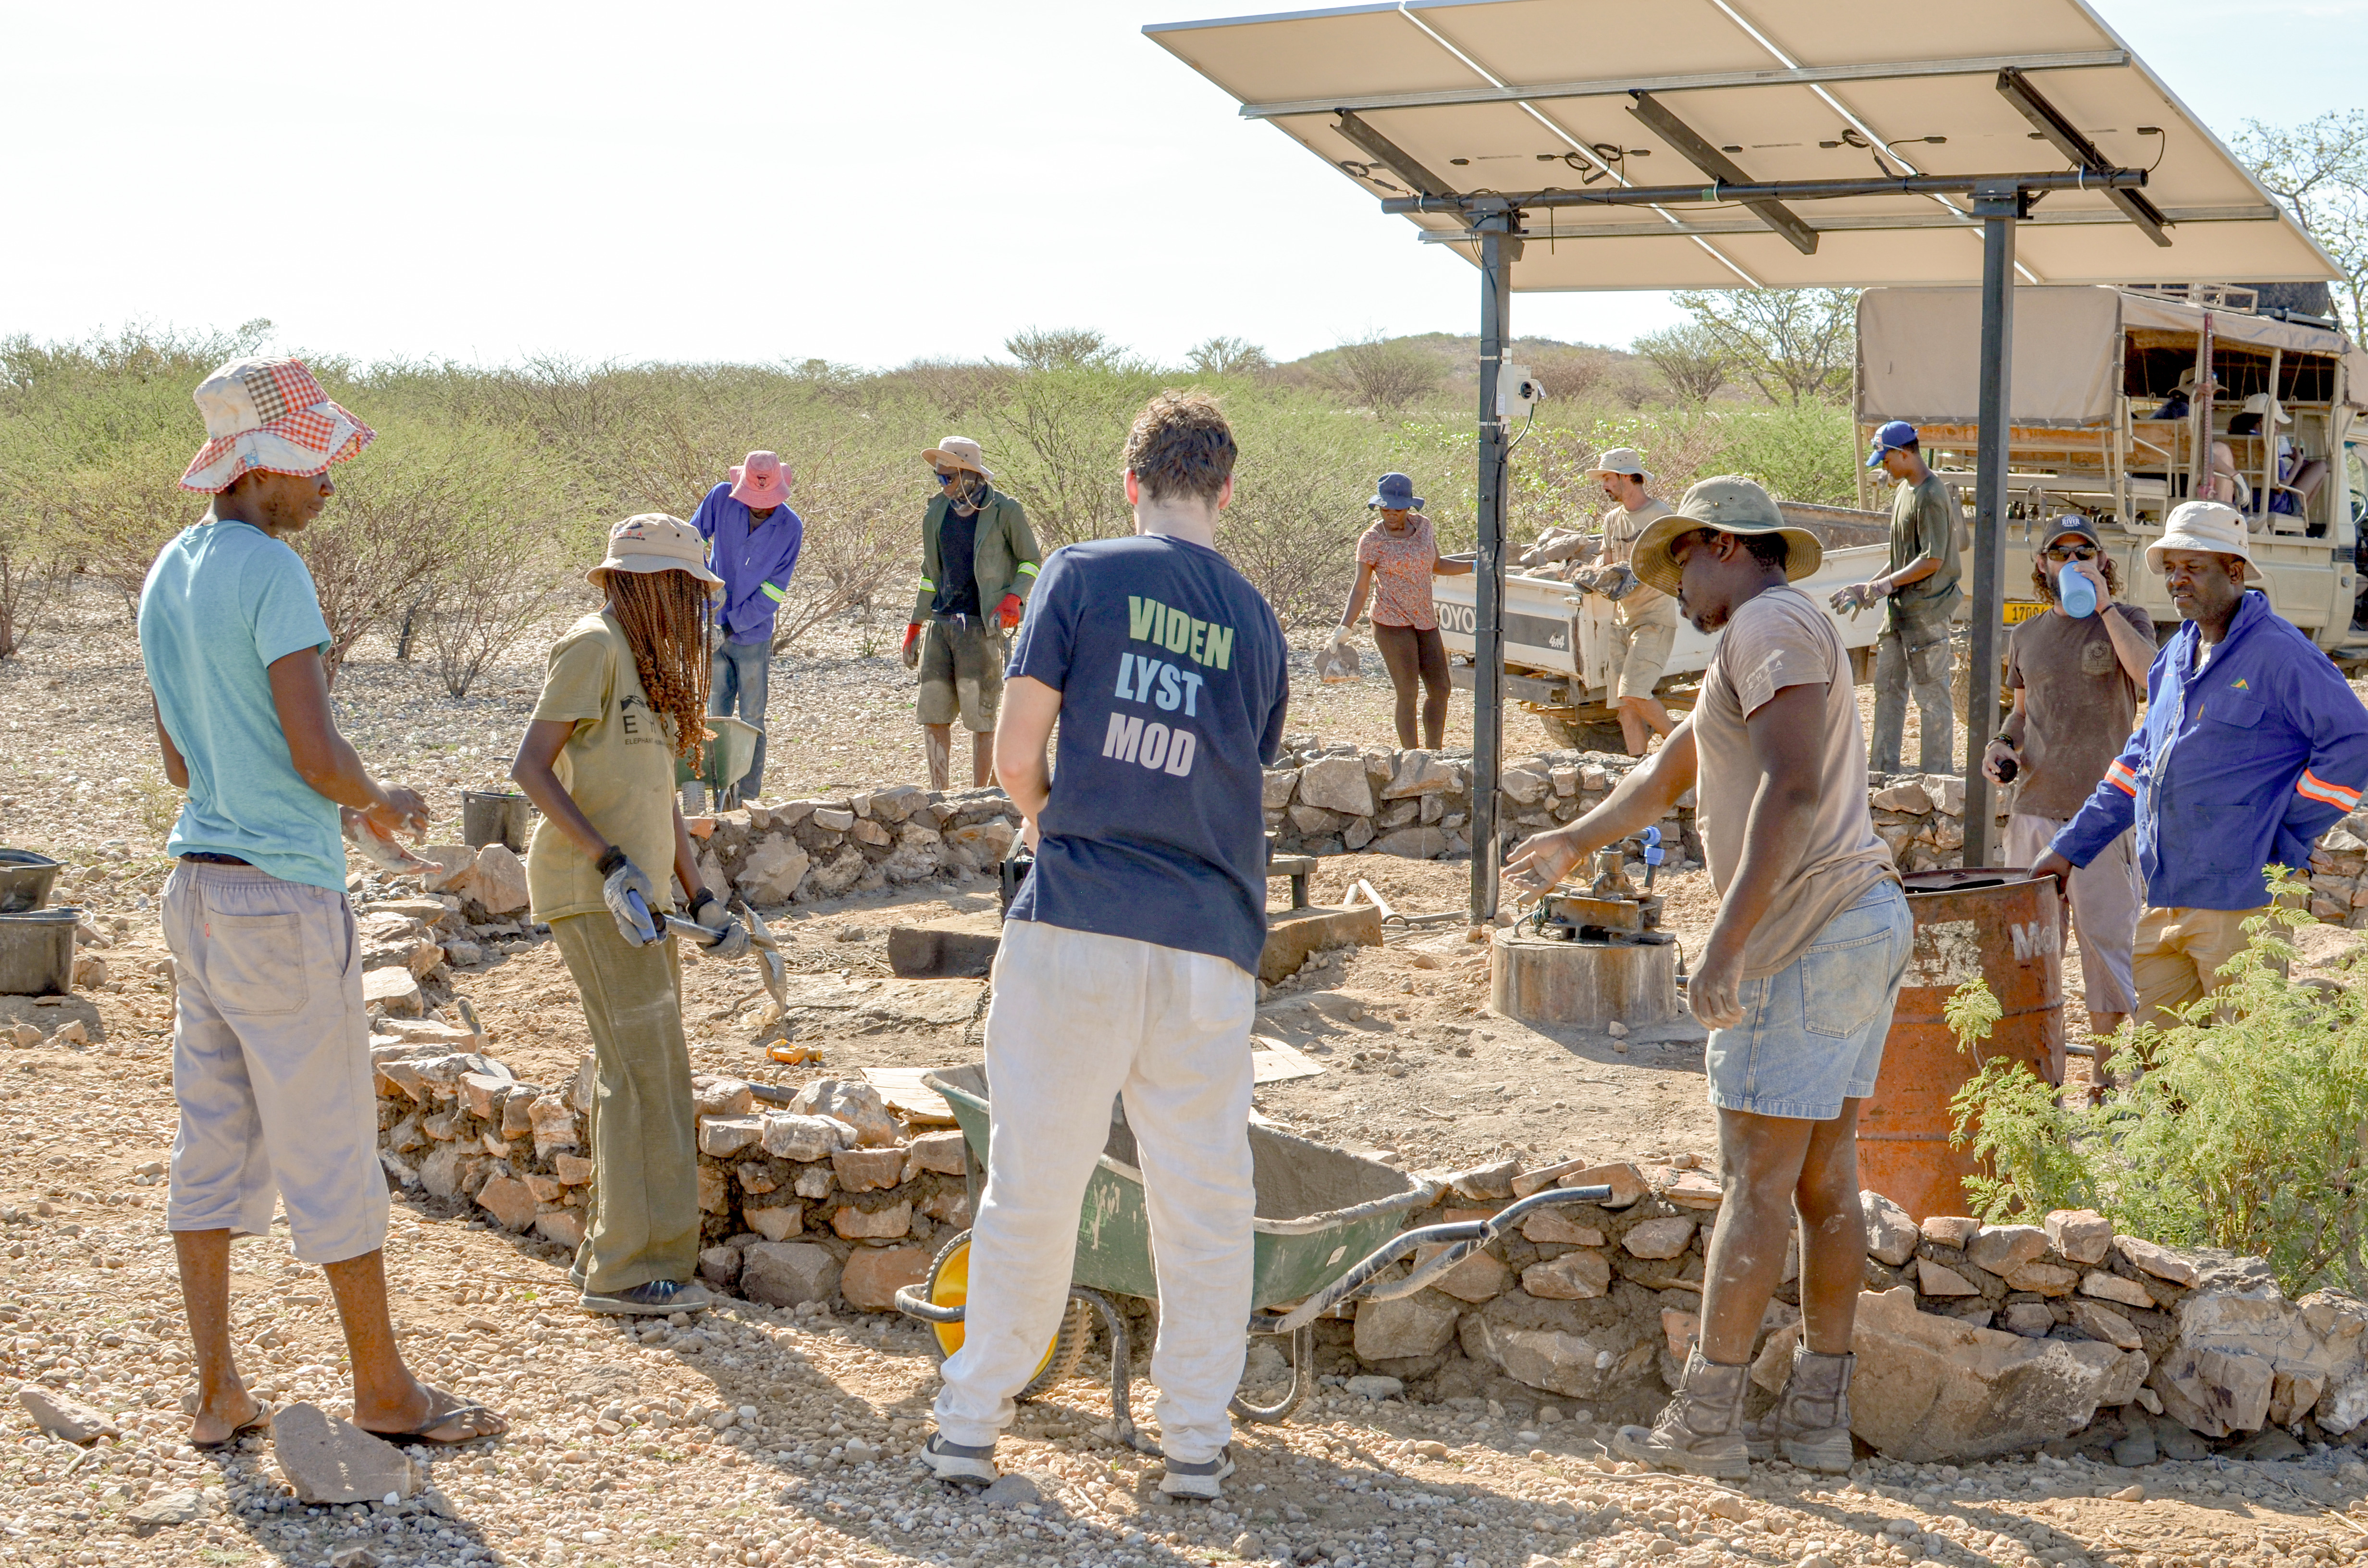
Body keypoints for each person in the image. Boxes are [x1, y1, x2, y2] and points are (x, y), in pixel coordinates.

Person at [1507, 476, 1909, 1479]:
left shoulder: (1769, 625)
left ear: (1724, 545)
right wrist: (1571, 837)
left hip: (1803, 932)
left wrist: (1726, 942)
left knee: (1756, 1183)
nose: (1675, 584)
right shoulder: (1769, 636)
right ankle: (1815, 1420)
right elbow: (1671, 768)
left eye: (1679, 559)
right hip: (1857, 919)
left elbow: (1791, 784)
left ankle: (1707, 1421)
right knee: (1823, 1180)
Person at [925, 392, 1289, 1500]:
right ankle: (1193, 1447)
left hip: (1077, 920)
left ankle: (972, 1426)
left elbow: (1017, 751)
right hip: (1208, 946)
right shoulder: (1260, 622)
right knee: (1205, 1202)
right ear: (1225, 490)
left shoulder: (1082, 575)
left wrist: (1049, 822)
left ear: (1134, 482)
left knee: (1036, 1185)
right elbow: (1238, 769)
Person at [143, 355, 507, 1448]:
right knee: (332, 1146)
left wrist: (331, 804)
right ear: (259, 466)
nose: (328, 487)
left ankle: (218, 1389)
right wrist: (376, 795)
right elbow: (312, 747)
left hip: (196, 888)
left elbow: (181, 762)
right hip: (280, 905)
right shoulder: (269, 570)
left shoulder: (173, 569)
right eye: (317, 464)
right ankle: (385, 1390)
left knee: (209, 1140)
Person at [511, 514, 751, 1317]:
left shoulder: (646, 663)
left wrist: (701, 892)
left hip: (640, 897)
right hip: (594, 891)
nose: (694, 608)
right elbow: (530, 768)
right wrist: (609, 863)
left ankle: (617, 1253)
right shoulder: (593, 648)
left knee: (649, 1066)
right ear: (650, 585)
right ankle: (629, 1270)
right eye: (684, 591)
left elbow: (663, 805)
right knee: (640, 1069)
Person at [2033, 501, 2368, 1037]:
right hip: (2164, 895)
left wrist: (2284, 831)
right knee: (2159, 1061)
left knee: (2239, 1066)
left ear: (2233, 571)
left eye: (2191, 567)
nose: (2175, 580)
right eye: (2169, 568)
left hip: (2241, 901)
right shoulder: (2174, 657)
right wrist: (2069, 848)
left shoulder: (2279, 653)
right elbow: (2135, 766)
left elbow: (2353, 744)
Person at [1980, 520, 2154, 1084]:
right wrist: (2001, 744)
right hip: (2032, 810)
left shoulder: (2127, 621)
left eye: (2085, 552)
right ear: (2041, 564)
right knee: (2029, 949)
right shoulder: (2026, 636)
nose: (2073, 560)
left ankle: (2104, 1083)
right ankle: (2038, 1080)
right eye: (2061, 552)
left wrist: (2103, 609)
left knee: (2105, 948)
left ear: (2103, 562)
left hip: (2102, 814)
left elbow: (2150, 678)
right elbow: (2021, 711)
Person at [903, 437, 1043, 791]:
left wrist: (1014, 599)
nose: (942, 484)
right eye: (939, 477)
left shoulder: (1004, 510)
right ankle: (940, 795)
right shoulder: (936, 511)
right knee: (933, 712)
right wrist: (916, 623)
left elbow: (1031, 561)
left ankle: (981, 797)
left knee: (981, 716)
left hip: (982, 625)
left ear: (969, 475)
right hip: (943, 624)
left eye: (947, 478)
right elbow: (929, 573)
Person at [1837, 420, 1961, 776]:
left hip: (1927, 612)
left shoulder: (1931, 496)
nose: (1885, 466)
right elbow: (1902, 558)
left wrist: (1882, 587)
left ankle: (1937, 780)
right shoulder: (1905, 491)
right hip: (1899, 613)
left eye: (1886, 459)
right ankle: (1882, 774)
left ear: (1904, 453)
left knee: (1931, 698)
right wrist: (1868, 590)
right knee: (1887, 691)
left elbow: (1932, 560)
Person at [688, 450, 803, 807]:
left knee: (752, 716)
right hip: (711, 625)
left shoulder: (790, 527)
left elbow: (773, 592)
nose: (761, 508)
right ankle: (716, 792)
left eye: (767, 503)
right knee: (715, 715)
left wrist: (732, 625)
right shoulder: (722, 497)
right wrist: (700, 599)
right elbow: (691, 541)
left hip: (752, 635)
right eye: (755, 501)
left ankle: (747, 798)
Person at [1330, 472, 1471, 749]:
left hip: (1424, 619)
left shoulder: (1424, 527)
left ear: (1409, 507)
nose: (1391, 515)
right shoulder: (1372, 540)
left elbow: (1437, 564)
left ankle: (1434, 753)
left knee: (1441, 689)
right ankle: (1412, 756)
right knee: (1408, 692)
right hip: (1390, 621)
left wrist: (1476, 567)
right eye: (1386, 509)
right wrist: (1344, 626)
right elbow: (1360, 588)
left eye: (1397, 509)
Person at [1585, 447, 1680, 755]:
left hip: (1653, 619)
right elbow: (1607, 562)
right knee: (1625, 708)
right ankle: (1637, 767)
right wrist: (1592, 576)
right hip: (1621, 622)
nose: (1604, 486)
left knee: (1635, 693)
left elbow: (1676, 565)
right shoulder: (1612, 519)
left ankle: (1691, 751)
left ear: (1627, 477)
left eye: (1608, 479)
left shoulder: (1661, 516)